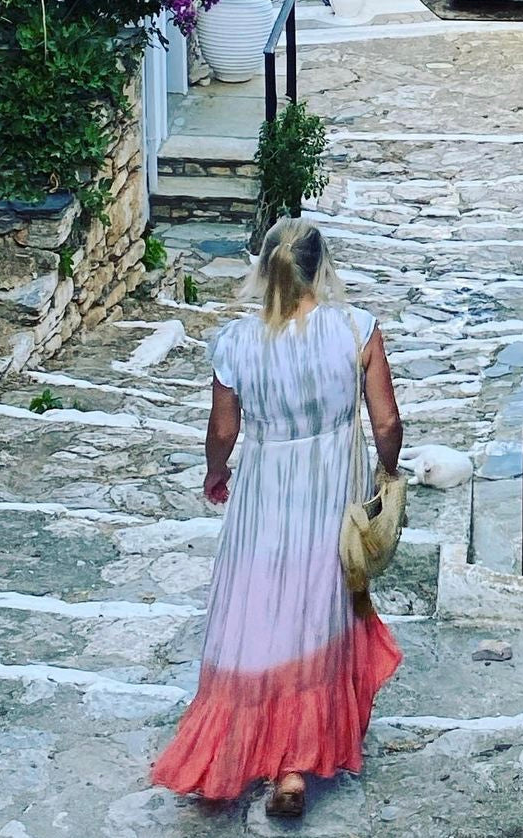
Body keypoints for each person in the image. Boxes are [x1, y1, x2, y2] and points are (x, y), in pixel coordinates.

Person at [151, 218, 404, 816]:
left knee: (260, 612)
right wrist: (387, 473)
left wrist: (215, 473)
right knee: (316, 612)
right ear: (321, 267)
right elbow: (387, 422)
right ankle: (294, 767)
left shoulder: (236, 343)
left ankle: (247, 749)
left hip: (264, 492)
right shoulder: (355, 329)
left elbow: (223, 430)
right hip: (330, 492)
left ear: (263, 269)